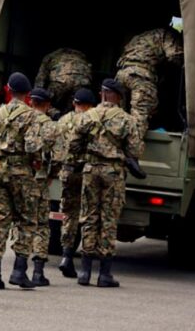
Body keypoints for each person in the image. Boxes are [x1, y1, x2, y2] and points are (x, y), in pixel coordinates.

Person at [65, 79, 143, 287]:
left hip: (90, 170)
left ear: (102, 94)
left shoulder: (86, 116)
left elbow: (73, 143)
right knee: (108, 219)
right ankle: (104, 274)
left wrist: (83, 157)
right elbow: (135, 151)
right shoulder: (127, 120)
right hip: (113, 173)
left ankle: (85, 272)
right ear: (117, 96)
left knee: (89, 216)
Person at [0, 72, 42, 290]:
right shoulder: (31, 116)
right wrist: (36, 162)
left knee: (0, 218)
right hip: (21, 173)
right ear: (28, 94)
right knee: (26, 220)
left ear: (8, 90)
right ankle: (19, 271)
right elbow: (32, 147)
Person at [53, 88, 95, 277]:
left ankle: (67, 256)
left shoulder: (62, 121)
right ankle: (87, 263)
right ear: (91, 105)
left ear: (74, 103)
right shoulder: (92, 121)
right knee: (88, 215)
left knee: (69, 214)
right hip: (86, 173)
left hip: (66, 172)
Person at [115, 26, 183, 135]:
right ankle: (133, 149)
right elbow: (174, 56)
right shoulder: (168, 34)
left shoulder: (141, 37)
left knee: (116, 118)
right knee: (139, 123)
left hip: (121, 75)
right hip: (140, 76)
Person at [28, 88, 58, 286]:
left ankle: (16, 269)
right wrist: (51, 175)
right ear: (47, 105)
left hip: (20, 178)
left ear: (31, 102)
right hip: (40, 180)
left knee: (20, 222)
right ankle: (38, 272)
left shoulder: (21, 121)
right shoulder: (51, 127)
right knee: (41, 225)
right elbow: (58, 157)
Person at [34, 48, 92, 115]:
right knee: (73, 108)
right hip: (82, 82)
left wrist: (36, 97)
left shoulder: (50, 56)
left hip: (60, 81)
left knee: (44, 102)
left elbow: (40, 81)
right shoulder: (82, 56)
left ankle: (55, 115)